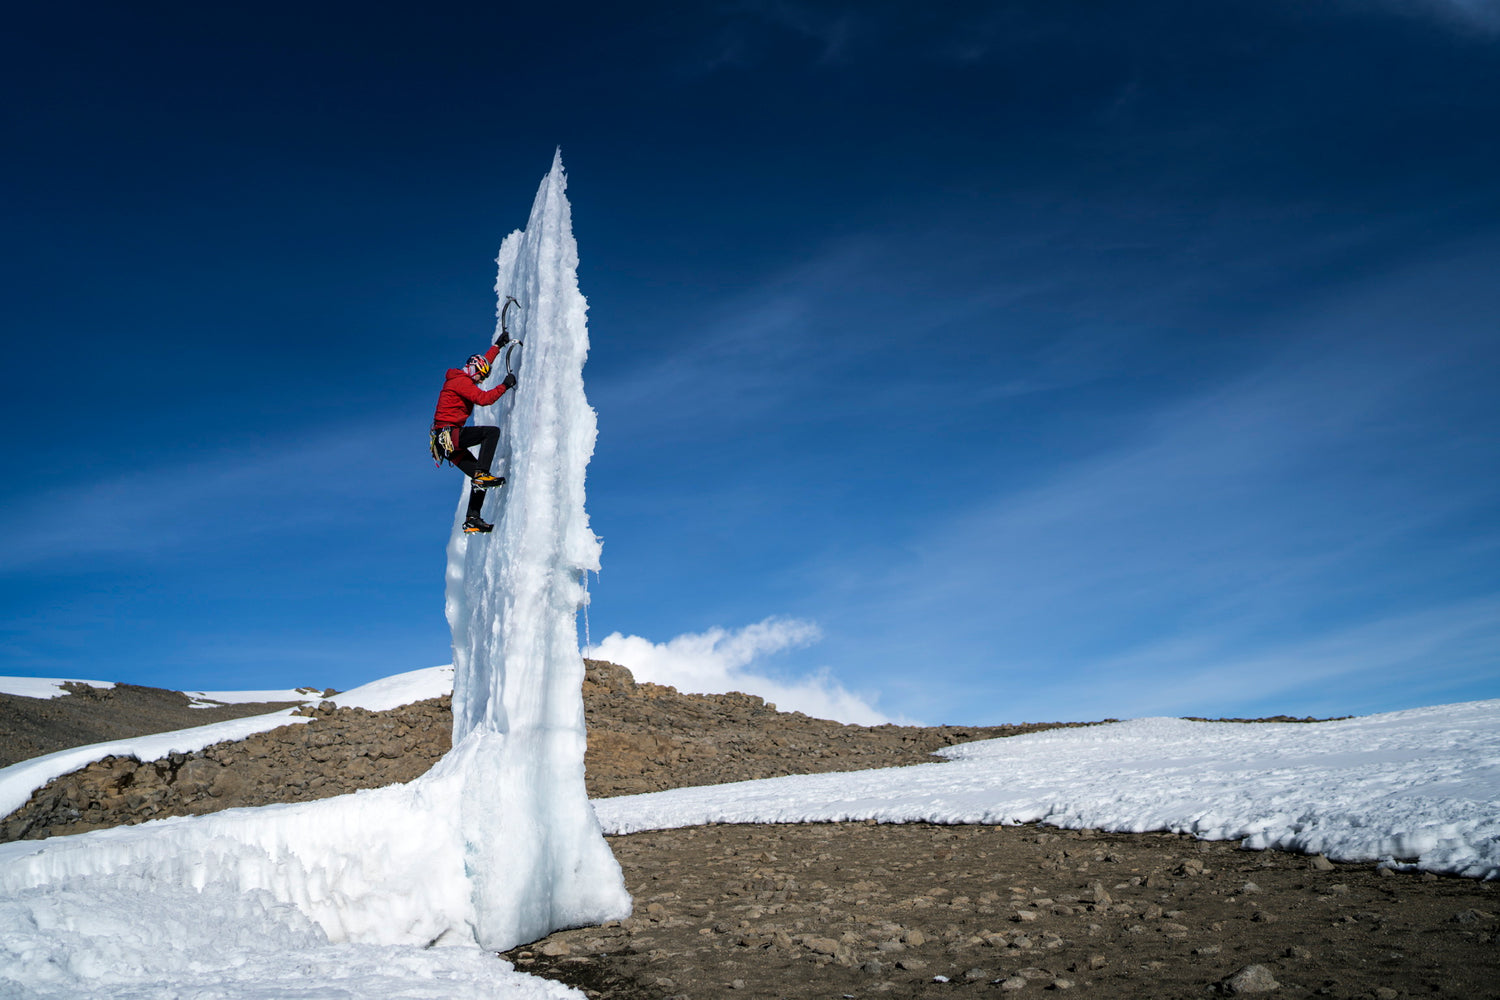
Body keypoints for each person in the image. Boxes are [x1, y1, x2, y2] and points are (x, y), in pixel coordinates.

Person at [430, 342, 518, 533]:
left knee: (479, 476)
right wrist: (504, 385)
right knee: (491, 433)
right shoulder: (461, 381)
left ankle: (473, 518)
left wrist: (498, 346)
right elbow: (484, 399)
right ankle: (481, 476)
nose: (480, 380)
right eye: (480, 375)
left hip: (446, 442)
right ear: (472, 370)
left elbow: (483, 362)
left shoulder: (463, 378)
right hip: (449, 436)